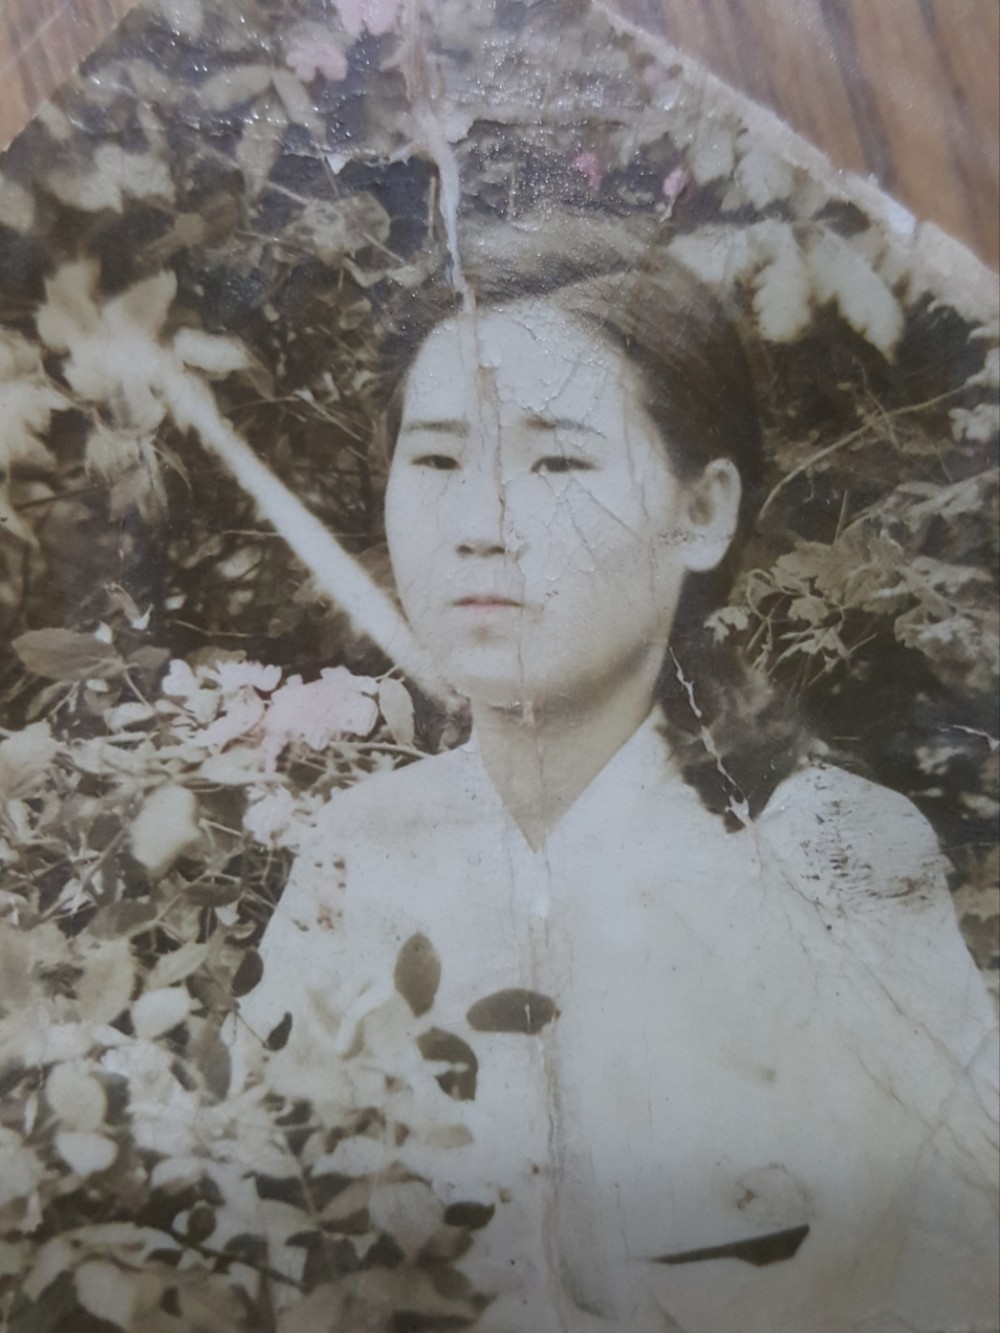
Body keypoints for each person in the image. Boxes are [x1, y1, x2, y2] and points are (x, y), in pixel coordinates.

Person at [229, 216, 999, 1333]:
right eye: (437, 458)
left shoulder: (828, 860)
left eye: (558, 462)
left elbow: (961, 1275)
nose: (480, 526)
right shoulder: (363, 850)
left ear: (703, 512)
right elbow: (237, 1244)